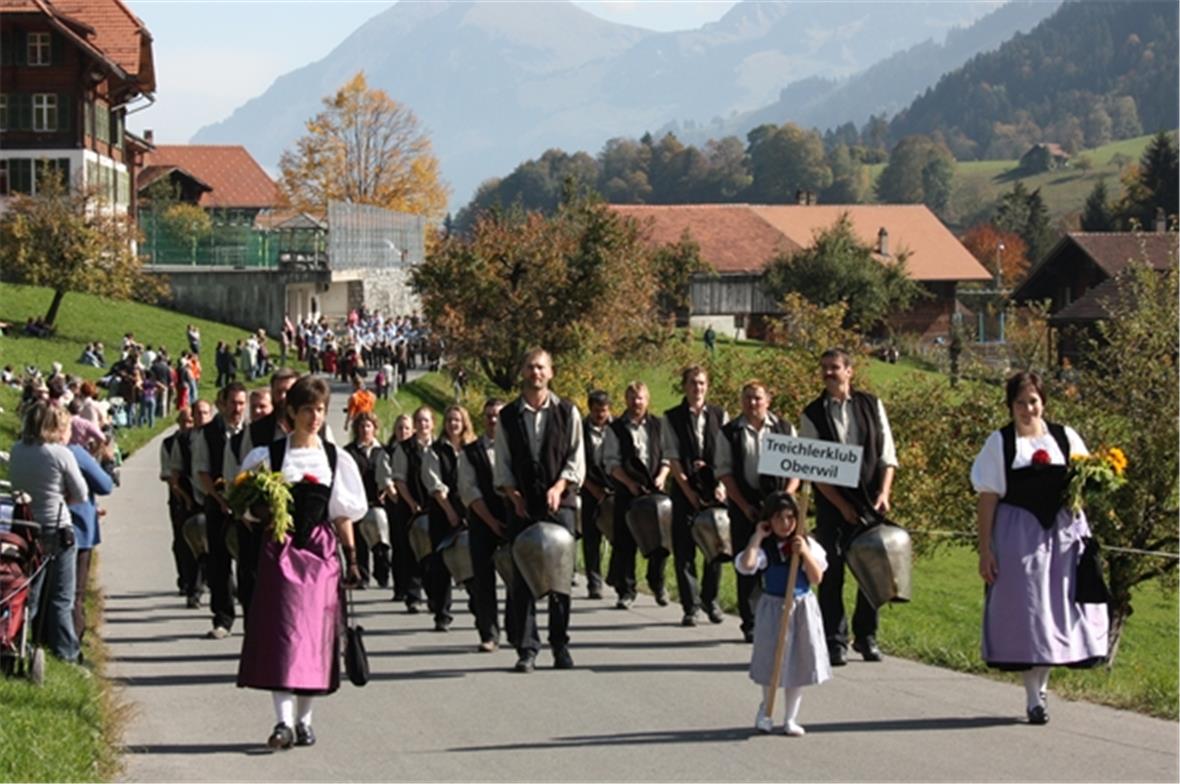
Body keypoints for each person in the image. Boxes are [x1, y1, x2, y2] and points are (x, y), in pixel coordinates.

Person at [235, 375, 367, 750]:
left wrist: (353, 558)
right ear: (290, 412)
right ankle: (283, 723)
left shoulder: (334, 458)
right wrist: (261, 510)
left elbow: (342, 513)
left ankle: (305, 721)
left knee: (316, 638)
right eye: (308, 409)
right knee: (283, 638)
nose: (315, 417)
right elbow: (243, 508)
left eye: (321, 410)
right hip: (280, 554)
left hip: (321, 556)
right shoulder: (268, 457)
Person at [971, 371, 1108, 725]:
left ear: (1043, 402)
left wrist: (1083, 529)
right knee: (1028, 614)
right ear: (1010, 406)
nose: (1027, 408)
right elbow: (987, 499)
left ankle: (1040, 692)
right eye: (1020, 402)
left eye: (1033, 401)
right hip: (1018, 536)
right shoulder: (999, 443)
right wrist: (986, 549)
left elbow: (1083, 484)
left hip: (1062, 537)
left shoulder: (1066, 438)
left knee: (1054, 615)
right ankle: (1033, 696)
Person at [800, 348, 898, 665]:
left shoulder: (872, 404)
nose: (829, 373)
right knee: (832, 573)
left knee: (873, 568)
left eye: (835, 367)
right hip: (832, 504)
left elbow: (887, 453)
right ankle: (834, 640)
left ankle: (866, 636)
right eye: (824, 368)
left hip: (871, 500)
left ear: (849, 371)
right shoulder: (811, 413)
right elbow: (813, 468)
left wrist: (884, 492)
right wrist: (841, 505)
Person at [494, 348, 584, 673]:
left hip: (560, 505)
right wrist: (511, 493)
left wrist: (560, 486)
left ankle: (560, 645)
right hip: (522, 504)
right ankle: (527, 648)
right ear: (523, 372)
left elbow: (576, 458)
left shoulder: (567, 411)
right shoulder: (508, 417)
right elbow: (501, 461)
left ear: (551, 372)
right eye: (531, 367)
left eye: (542, 368)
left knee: (560, 580)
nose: (536, 373)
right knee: (522, 581)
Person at [735, 492, 831, 736]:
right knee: (771, 661)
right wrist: (757, 537)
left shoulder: (807, 545)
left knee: (797, 661)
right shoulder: (767, 548)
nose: (785, 524)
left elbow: (816, 578)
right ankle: (766, 710)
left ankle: (790, 718)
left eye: (790, 518)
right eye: (779, 518)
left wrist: (805, 554)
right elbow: (746, 566)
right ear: (769, 520)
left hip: (801, 606)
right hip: (774, 607)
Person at [716, 380, 799, 642]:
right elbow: (725, 472)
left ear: (768, 400)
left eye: (758, 398)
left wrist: (787, 498)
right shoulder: (729, 432)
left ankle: (781, 619)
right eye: (748, 398)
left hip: (780, 508)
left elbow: (796, 468)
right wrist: (743, 505)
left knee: (781, 562)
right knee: (747, 565)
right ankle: (750, 623)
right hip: (746, 506)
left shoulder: (785, 429)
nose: (753, 403)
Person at [9, 403, 88, 664]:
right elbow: (81, 494)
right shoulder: (59, 454)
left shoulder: (17, 450)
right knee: (61, 597)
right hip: (56, 527)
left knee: (29, 594)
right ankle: (67, 653)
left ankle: (19, 642)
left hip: (25, 528)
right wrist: (62, 497)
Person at [663, 366, 728, 626]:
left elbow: (725, 454)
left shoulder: (720, 415)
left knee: (715, 547)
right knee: (684, 549)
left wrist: (722, 484)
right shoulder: (672, 417)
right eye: (692, 383)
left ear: (707, 386)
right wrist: (688, 490)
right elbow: (673, 457)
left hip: (714, 488)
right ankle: (691, 606)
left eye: (701, 383)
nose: (697, 388)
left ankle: (711, 600)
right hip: (684, 488)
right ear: (685, 386)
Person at [604, 381, 670, 610]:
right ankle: (627, 590)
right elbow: (611, 463)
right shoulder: (615, 429)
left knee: (661, 542)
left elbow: (667, 457)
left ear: (647, 399)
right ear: (626, 400)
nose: (636, 402)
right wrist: (629, 483)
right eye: (632, 398)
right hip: (627, 491)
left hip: (656, 492)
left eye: (640, 397)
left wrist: (662, 475)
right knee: (625, 543)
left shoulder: (659, 426)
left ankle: (657, 583)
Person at [457, 398, 514, 651]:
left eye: (498, 415)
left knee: (517, 577)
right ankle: (488, 633)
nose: (493, 420)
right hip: (482, 520)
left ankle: (516, 628)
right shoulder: (470, 452)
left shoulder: (515, 449)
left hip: (513, 517)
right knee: (483, 580)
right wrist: (490, 522)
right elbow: (468, 491)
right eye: (489, 415)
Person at [192, 384, 248, 638]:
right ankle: (223, 618)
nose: (237, 409)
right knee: (219, 564)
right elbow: (202, 471)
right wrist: (220, 499)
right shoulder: (208, 433)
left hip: (248, 505)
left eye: (241, 404)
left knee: (249, 564)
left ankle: (254, 617)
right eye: (233, 403)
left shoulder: (251, 432)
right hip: (218, 504)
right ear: (222, 404)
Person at [420, 405, 477, 632]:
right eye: (450, 420)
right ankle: (442, 614)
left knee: (473, 563)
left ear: (464, 423)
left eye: (458, 420)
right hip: (443, 512)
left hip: (471, 511)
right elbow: (434, 484)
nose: (454, 424)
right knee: (441, 564)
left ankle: (479, 608)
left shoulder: (472, 448)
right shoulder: (434, 450)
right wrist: (450, 512)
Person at [65, 433, 115, 646]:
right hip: (77, 528)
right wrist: (109, 462)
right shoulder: (74, 453)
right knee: (74, 593)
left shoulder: (24, 449)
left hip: (37, 526)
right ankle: (72, 644)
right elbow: (105, 484)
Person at [391, 407, 436, 617]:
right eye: (419, 421)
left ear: (433, 423)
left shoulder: (440, 447)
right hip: (411, 507)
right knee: (411, 553)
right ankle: (413, 596)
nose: (423, 425)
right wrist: (411, 503)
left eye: (426, 421)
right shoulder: (404, 448)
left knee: (436, 556)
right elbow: (399, 479)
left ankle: (436, 599)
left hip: (437, 507)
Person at [378, 414, 425, 611]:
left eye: (406, 428)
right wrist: (394, 493)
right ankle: (401, 587)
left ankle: (416, 588)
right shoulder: (388, 451)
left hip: (416, 503)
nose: (403, 432)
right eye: (399, 428)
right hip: (397, 503)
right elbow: (386, 476)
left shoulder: (419, 450)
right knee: (400, 545)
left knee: (417, 546)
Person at [343, 412, 392, 589]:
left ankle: (382, 573)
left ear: (375, 428)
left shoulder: (384, 451)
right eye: (361, 426)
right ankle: (362, 577)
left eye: (368, 426)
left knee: (381, 542)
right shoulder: (348, 452)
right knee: (359, 541)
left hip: (378, 503)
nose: (365, 430)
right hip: (356, 502)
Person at [163, 406, 206, 607]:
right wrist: (185, 497)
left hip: (209, 498)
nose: (190, 424)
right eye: (187, 420)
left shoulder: (211, 436)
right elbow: (171, 475)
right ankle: (190, 586)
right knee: (186, 544)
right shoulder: (175, 442)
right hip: (185, 498)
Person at [580, 390, 613, 600]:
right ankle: (594, 582)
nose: (601, 415)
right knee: (591, 538)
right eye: (597, 411)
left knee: (619, 536)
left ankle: (615, 576)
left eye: (604, 410)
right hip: (589, 488)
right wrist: (594, 489)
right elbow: (576, 462)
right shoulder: (581, 431)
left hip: (615, 487)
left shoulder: (617, 428)